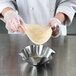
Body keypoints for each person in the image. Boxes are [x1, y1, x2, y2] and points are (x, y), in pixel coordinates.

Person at [0, 0, 76, 37]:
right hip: (20, 34)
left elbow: (68, 2)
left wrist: (58, 19)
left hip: (53, 36)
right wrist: (9, 14)